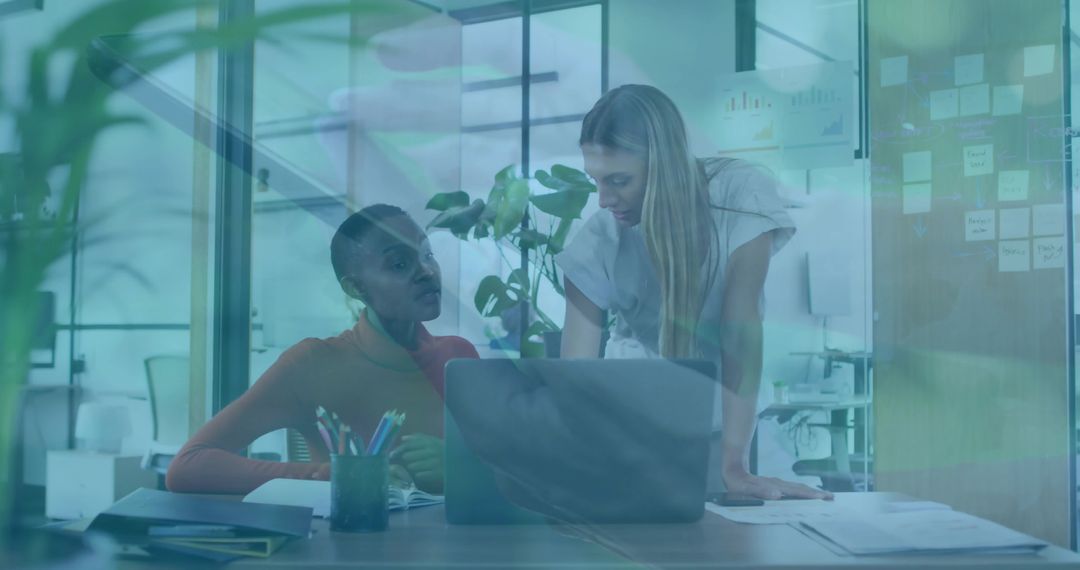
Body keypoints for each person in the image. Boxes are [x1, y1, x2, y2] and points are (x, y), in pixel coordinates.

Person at [556, 84, 831, 500]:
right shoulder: (597, 242)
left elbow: (739, 335)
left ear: (662, 167)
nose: (604, 200)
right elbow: (575, 379)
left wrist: (734, 464)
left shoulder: (741, 197)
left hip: (722, 420)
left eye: (619, 181)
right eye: (595, 180)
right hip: (629, 425)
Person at [167, 204, 478, 495]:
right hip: (352, 535)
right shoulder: (313, 363)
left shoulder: (458, 356)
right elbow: (189, 466)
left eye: (427, 254)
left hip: (458, 536)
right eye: (399, 264)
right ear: (356, 288)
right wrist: (341, 475)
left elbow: (502, 468)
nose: (426, 271)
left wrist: (461, 464)